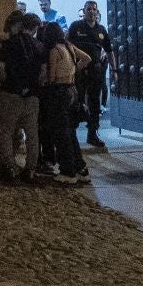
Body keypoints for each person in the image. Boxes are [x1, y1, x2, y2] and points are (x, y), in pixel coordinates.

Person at [0, 13, 43, 183]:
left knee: (5, 132)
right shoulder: (39, 46)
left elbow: (0, 70)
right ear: (35, 28)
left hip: (10, 94)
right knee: (32, 134)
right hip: (32, 97)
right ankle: (30, 169)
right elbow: (43, 74)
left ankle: (10, 167)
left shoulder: (8, 45)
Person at [42, 25, 89, 184]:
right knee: (71, 132)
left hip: (60, 92)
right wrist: (74, 70)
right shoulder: (69, 46)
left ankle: (68, 172)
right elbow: (87, 58)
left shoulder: (55, 50)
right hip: (72, 90)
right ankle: (80, 168)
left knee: (61, 134)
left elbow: (52, 77)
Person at [67, 0, 114, 149]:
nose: (91, 11)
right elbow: (67, 44)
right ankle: (71, 135)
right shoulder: (76, 26)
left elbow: (109, 50)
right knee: (76, 101)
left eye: (94, 9)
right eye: (89, 9)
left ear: (97, 11)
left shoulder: (101, 29)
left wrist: (115, 69)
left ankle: (92, 134)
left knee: (94, 103)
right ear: (84, 11)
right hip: (79, 70)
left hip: (96, 71)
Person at [33, 20, 68, 174]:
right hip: (58, 91)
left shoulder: (45, 51)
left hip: (44, 92)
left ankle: (43, 158)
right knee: (49, 128)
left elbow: (45, 75)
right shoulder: (66, 47)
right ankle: (50, 157)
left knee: (41, 127)